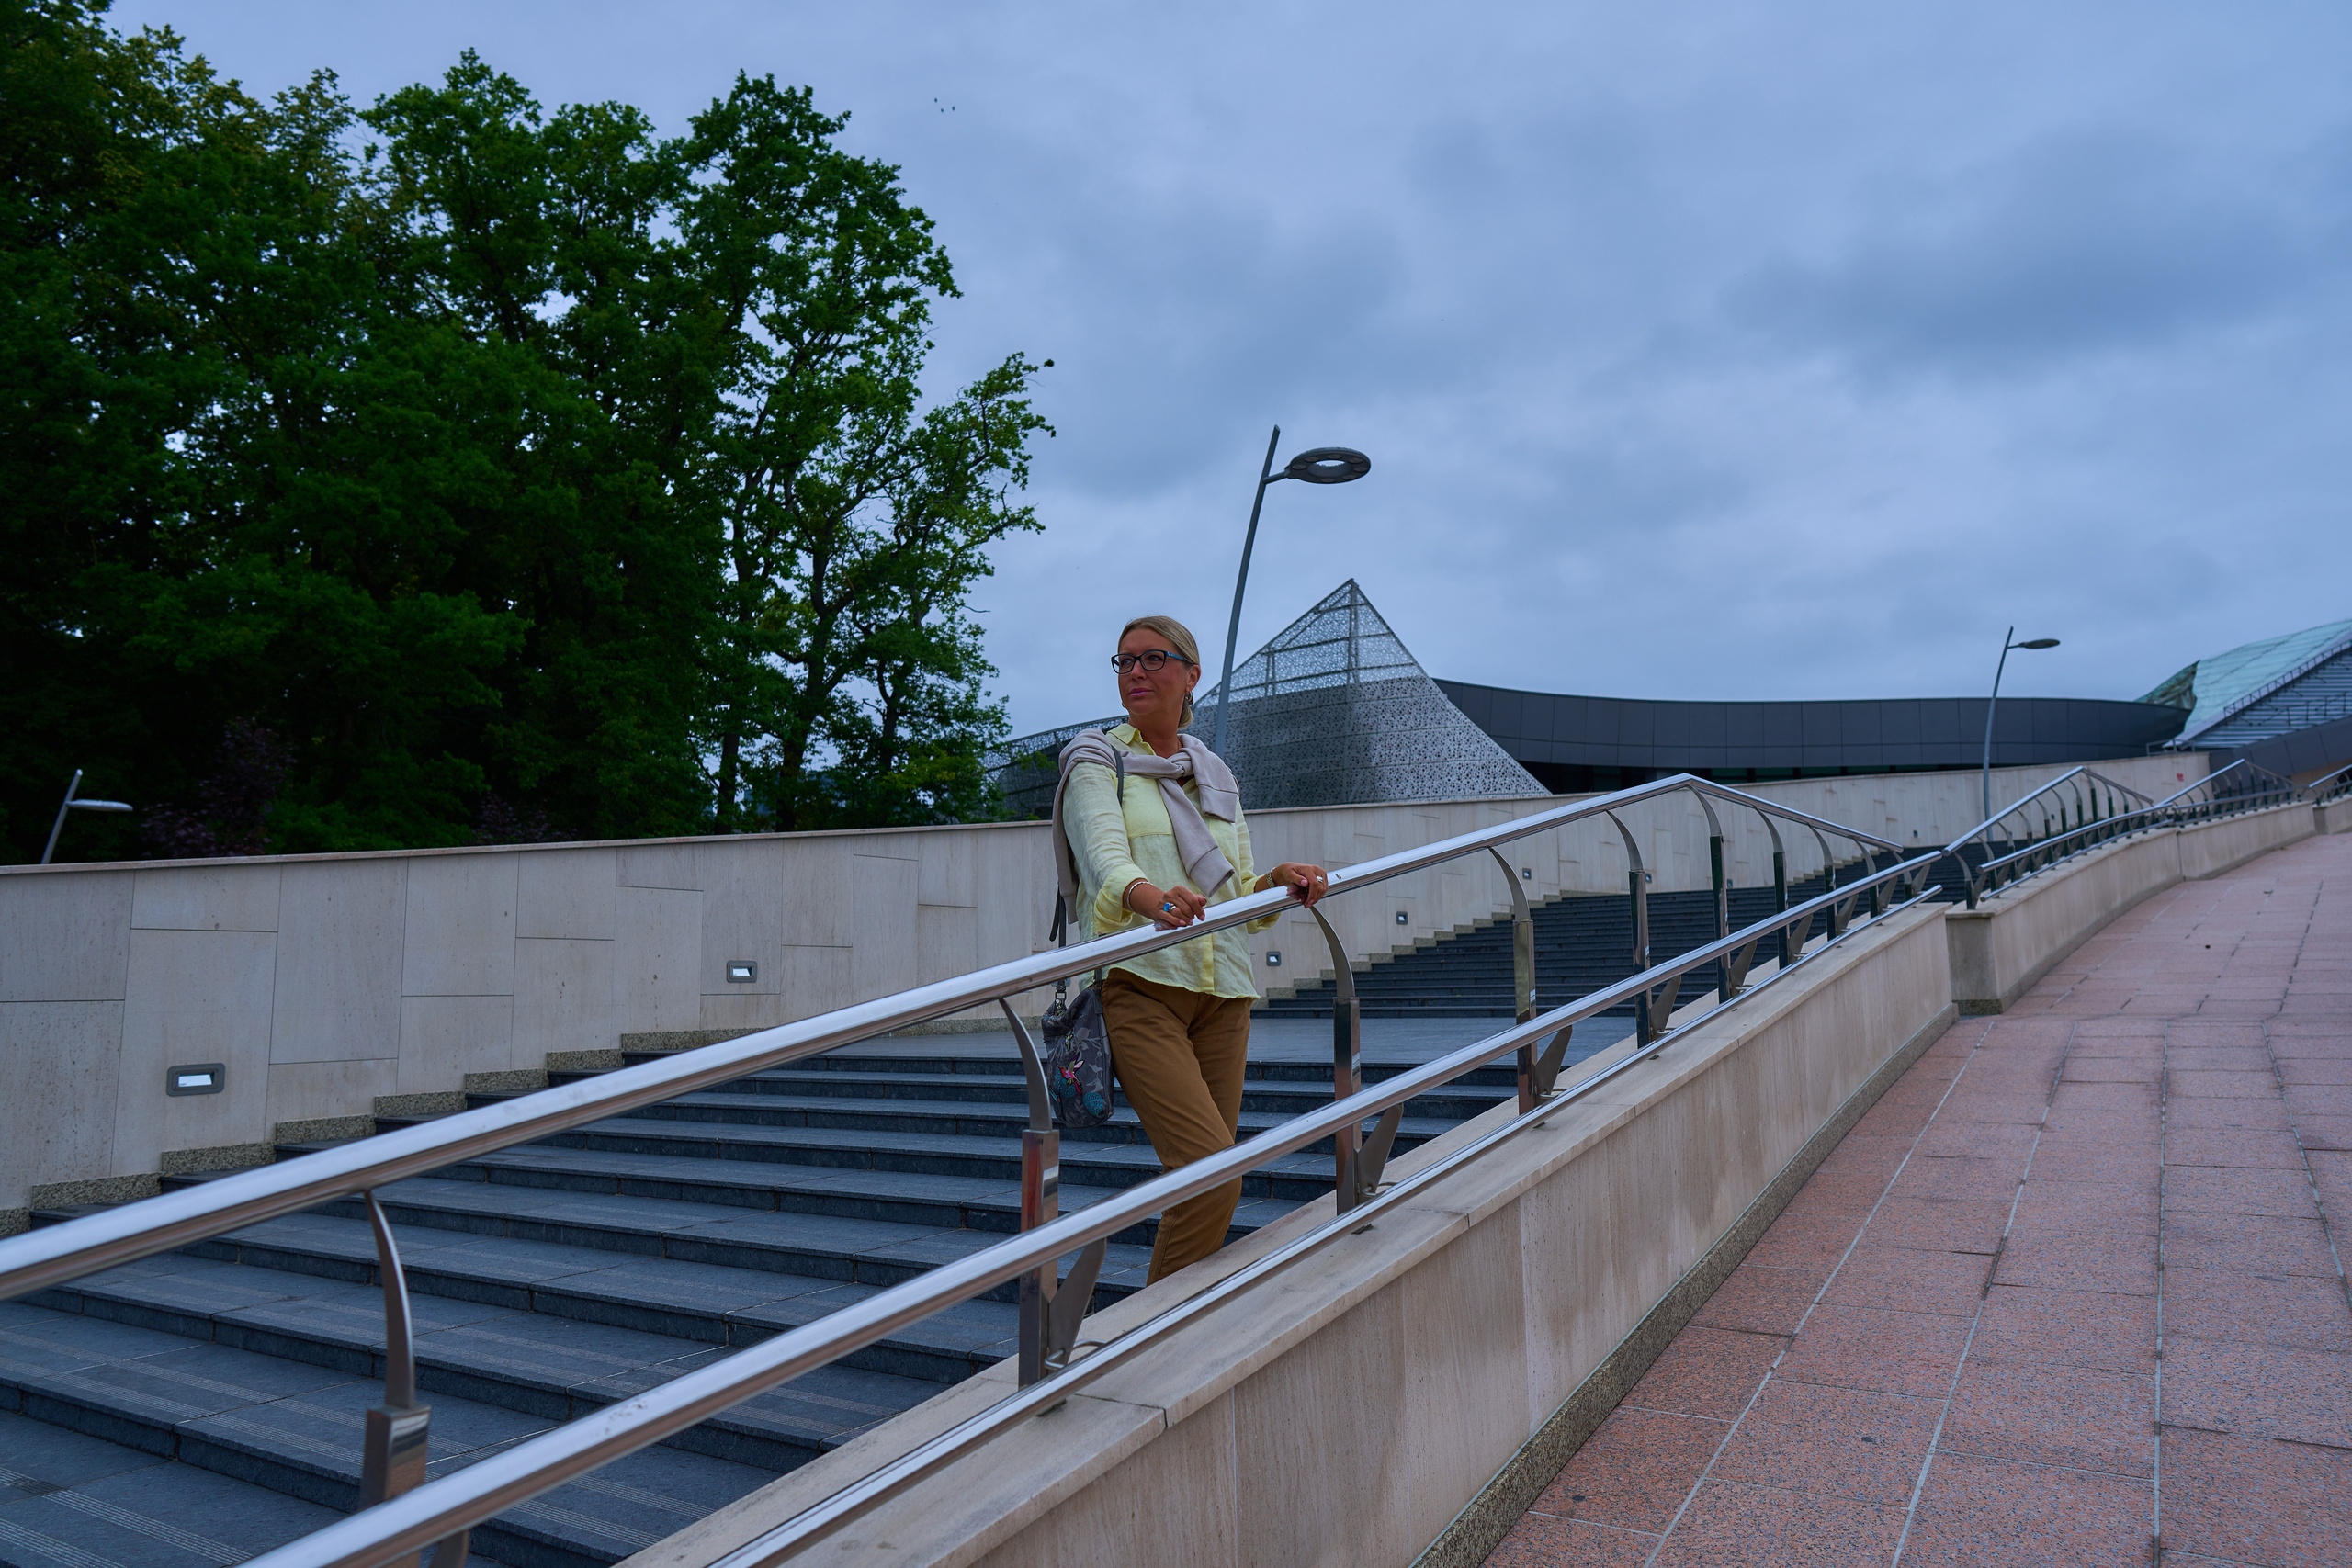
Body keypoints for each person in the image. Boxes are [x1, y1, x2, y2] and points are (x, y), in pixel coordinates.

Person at [1050, 614, 1329, 1283]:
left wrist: (1275, 882)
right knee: (1211, 1174)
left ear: (1191, 674)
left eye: (1152, 659)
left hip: (1225, 993)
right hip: (1141, 985)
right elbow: (1102, 858)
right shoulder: (1097, 760)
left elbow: (1236, 902)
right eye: (1123, 662)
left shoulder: (1214, 773)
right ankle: (1157, 1338)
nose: (1136, 673)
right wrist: (1149, 896)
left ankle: (1173, 1335)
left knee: (1206, 1178)